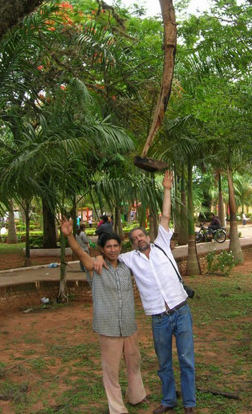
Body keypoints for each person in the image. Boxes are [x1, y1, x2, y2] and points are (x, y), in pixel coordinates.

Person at [95, 170, 196, 414]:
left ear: (148, 236)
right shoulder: (130, 259)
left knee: (186, 358)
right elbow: (110, 253)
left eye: (141, 235)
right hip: (159, 318)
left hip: (181, 311)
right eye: (134, 238)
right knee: (164, 362)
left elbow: (166, 215)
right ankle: (169, 401)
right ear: (131, 244)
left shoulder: (162, 245)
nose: (139, 239)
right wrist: (98, 256)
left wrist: (167, 188)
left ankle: (190, 403)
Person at [61, 219, 147, 414]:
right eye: (108, 247)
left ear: (120, 248)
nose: (113, 250)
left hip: (129, 325)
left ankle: (136, 395)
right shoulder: (95, 268)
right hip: (108, 328)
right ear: (102, 249)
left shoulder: (126, 266)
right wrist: (69, 236)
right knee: (111, 371)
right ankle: (117, 408)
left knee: (134, 362)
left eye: (116, 246)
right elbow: (79, 252)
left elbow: (145, 251)